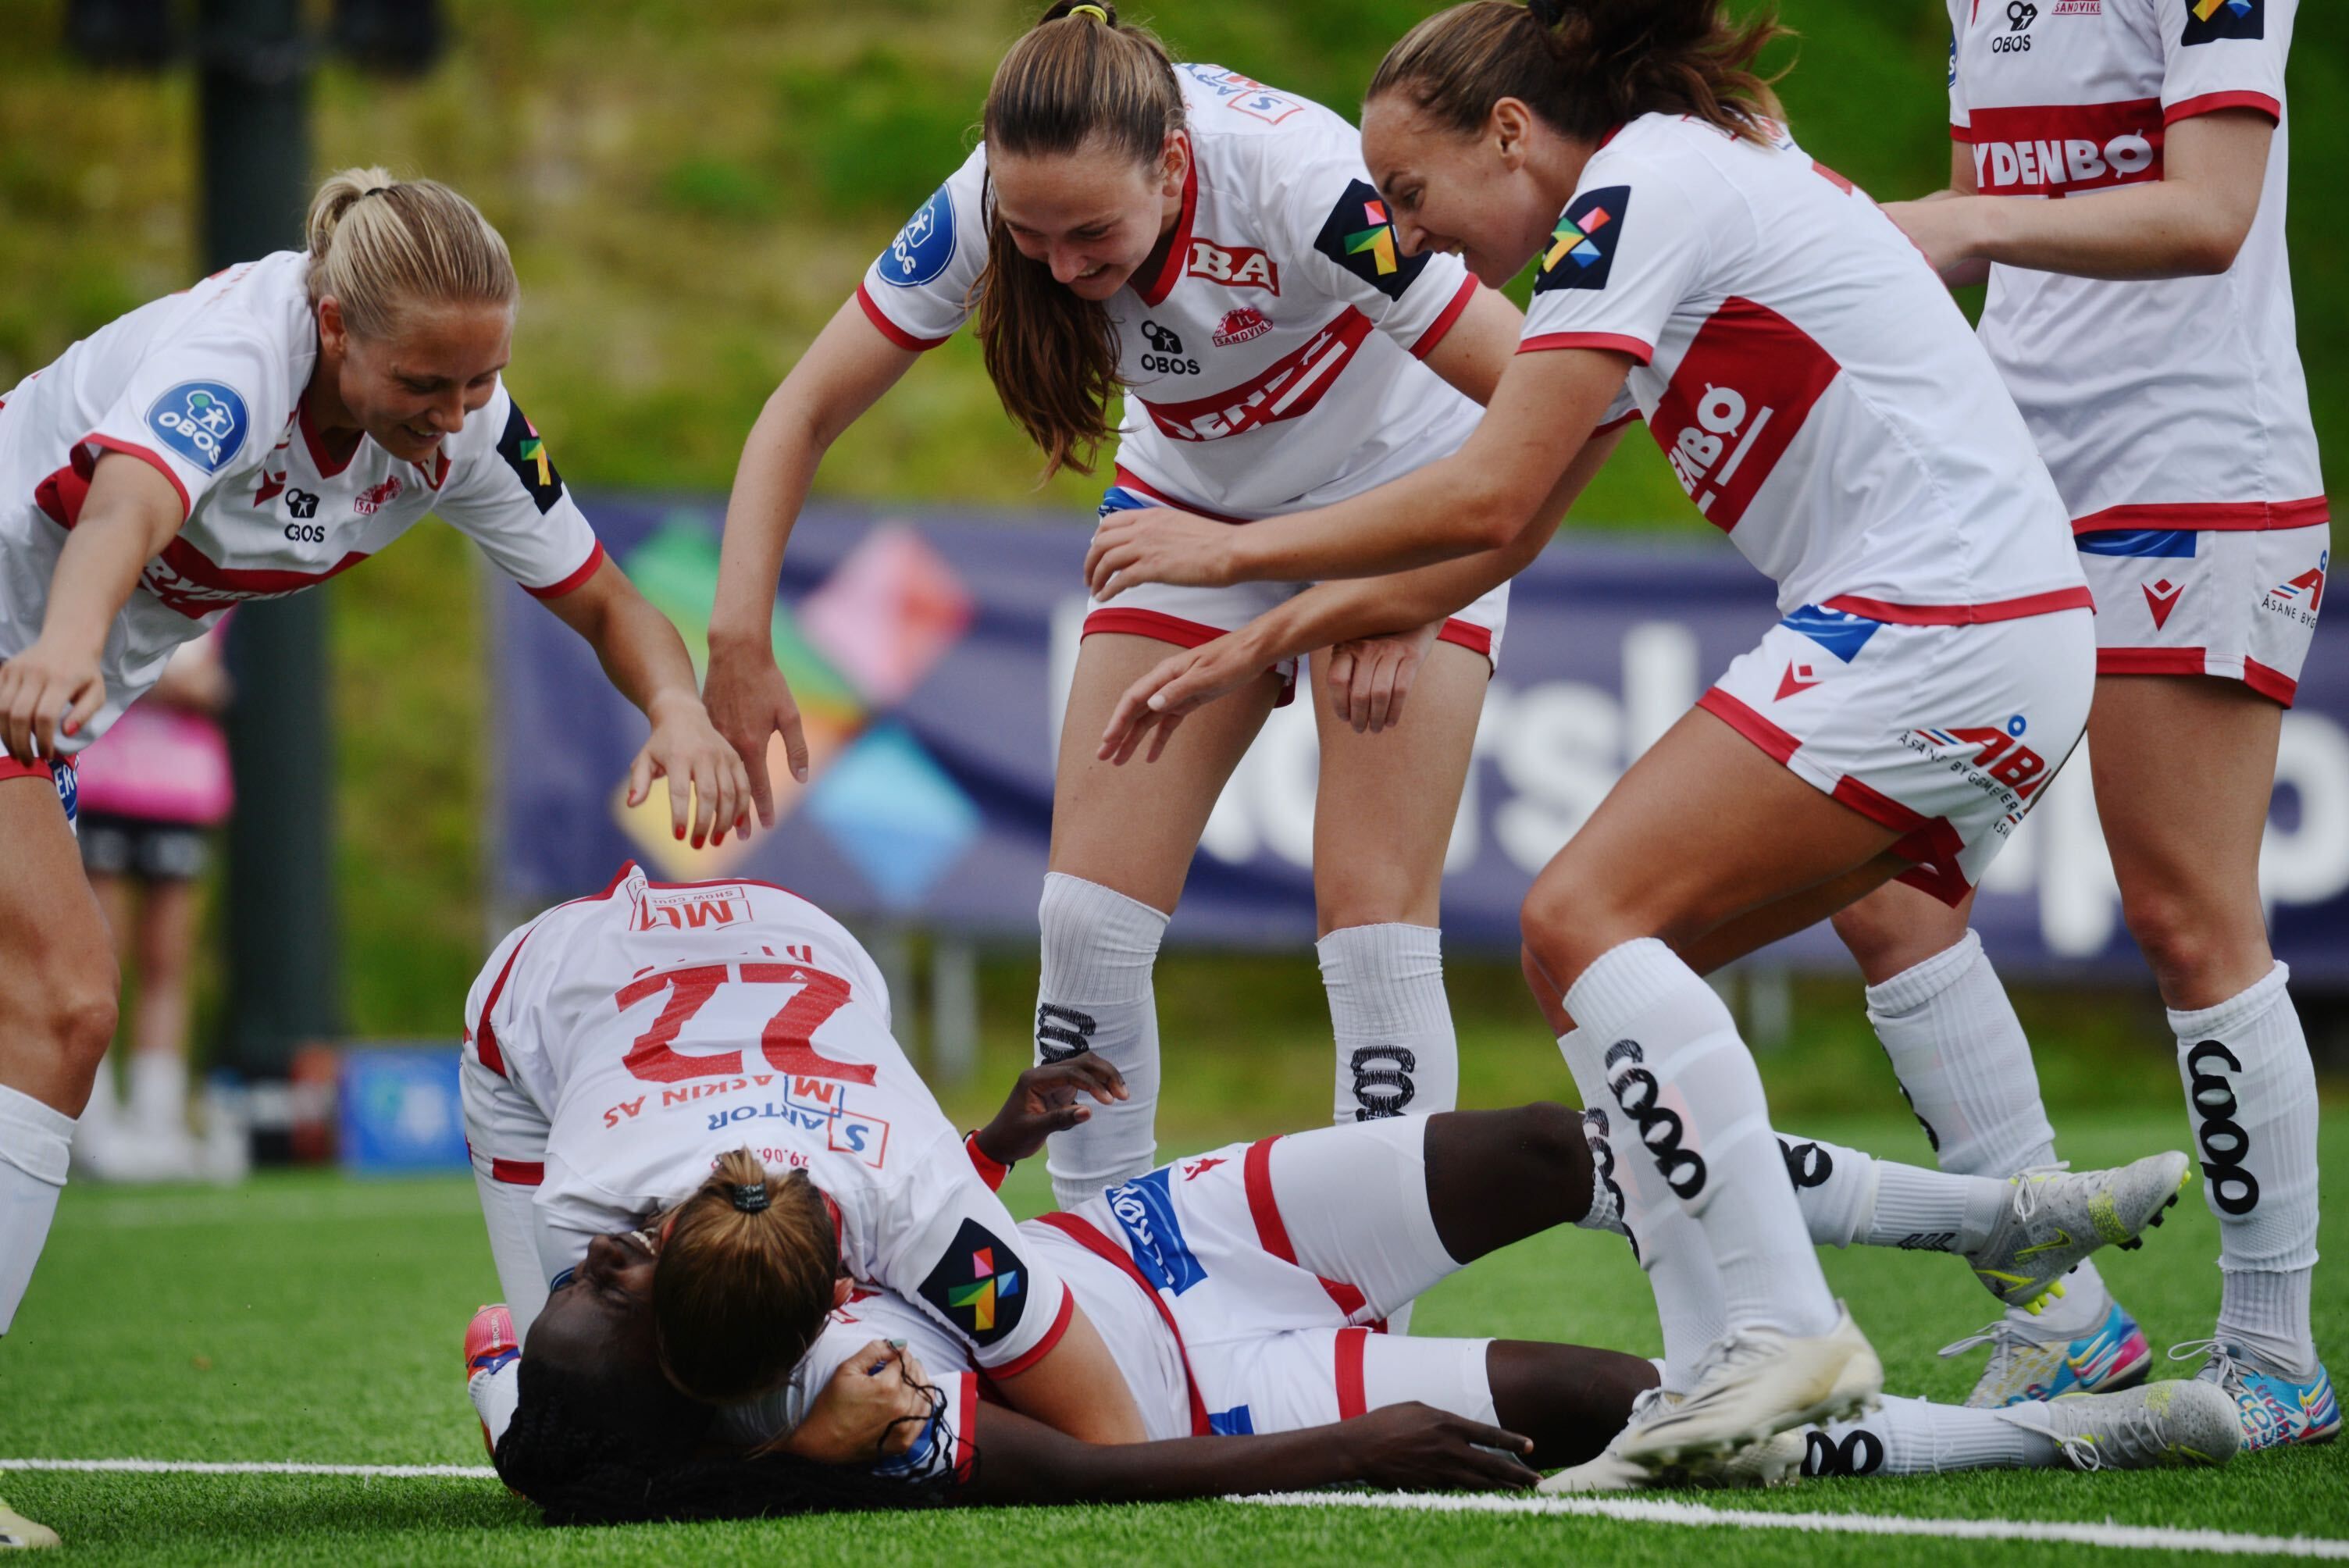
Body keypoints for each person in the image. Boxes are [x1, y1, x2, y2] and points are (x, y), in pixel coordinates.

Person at [1082, 0, 2105, 1465]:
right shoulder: (1678, 183)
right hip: (1989, 633)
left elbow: (1486, 490)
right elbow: (1505, 541)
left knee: (1578, 918)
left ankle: (1781, 1333)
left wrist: (1229, 553)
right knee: (1611, 980)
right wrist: (1272, 633)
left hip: (1935, 621)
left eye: (1413, 193)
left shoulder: (1641, 188)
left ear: (1511, 131)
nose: (1409, 239)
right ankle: (1919, 1334)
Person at [0, 168, 752, 1548]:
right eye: (425, 383)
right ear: (335, 324)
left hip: (33, 692)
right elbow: (125, 509)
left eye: (483, 380)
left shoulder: (466, 429)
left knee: (49, 1008)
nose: (456, 417)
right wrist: (61, 644)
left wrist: (680, 710)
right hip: (15, 657)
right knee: (63, 1001)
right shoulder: (239, 353)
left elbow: (606, 598)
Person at [699, 1, 1542, 1217]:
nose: (1062, 269)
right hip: (1189, 517)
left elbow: (1538, 400)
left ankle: (1374, 1302)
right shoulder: (987, 200)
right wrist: (738, 633)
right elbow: (802, 410)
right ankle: (1109, 1265)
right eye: (1029, 237)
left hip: (1408, 502)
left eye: (1093, 233)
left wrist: (1415, 591)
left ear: (1175, 166)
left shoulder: (1304, 184)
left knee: (1371, 926)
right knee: (1086, 920)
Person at [468, 1057, 2230, 1523]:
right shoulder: (843, 1424)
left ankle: (1992, 1221)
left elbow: (926, 1244)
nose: (596, 1259)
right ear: (680, 1370)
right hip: (1220, 1388)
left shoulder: (708, 1270)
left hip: (1155, 1243)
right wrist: (1352, 1442)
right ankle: (2073, 1434)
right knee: (1624, 1399)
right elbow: (1086, 1468)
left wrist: (988, 1141)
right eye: (599, 1292)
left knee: (1542, 1143)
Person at [1805, 0, 2335, 1444]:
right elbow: (1997, 210)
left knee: (2184, 916)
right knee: (1881, 885)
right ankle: (2059, 1318)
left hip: (2188, 466)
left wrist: (1960, 223)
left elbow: (2209, 212)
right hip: (2004, 472)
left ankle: (2274, 1356)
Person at [69, 623, 233, 1181]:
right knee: (97, 961)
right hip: (104, 780)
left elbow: (225, 684)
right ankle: (90, 1121)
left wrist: (204, 687)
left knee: (168, 962)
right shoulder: (102, 585)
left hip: (181, 788)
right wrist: (160, 680)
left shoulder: (223, 598)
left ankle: (155, 1122)